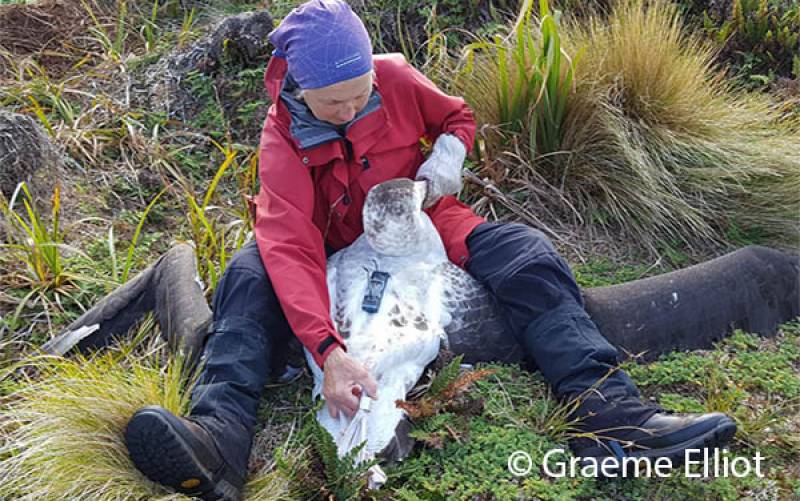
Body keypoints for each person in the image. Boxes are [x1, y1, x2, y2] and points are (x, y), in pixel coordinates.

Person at [120, 1, 737, 499]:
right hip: (331, 241)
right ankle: (220, 439)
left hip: (421, 220)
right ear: (301, 89)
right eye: (333, 102)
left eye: (361, 92)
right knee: (250, 273)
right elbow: (291, 244)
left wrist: (449, 153)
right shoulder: (281, 138)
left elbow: (457, 117)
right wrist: (329, 350)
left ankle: (611, 418)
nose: (351, 108)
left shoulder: (394, 76)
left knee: (524, 253)